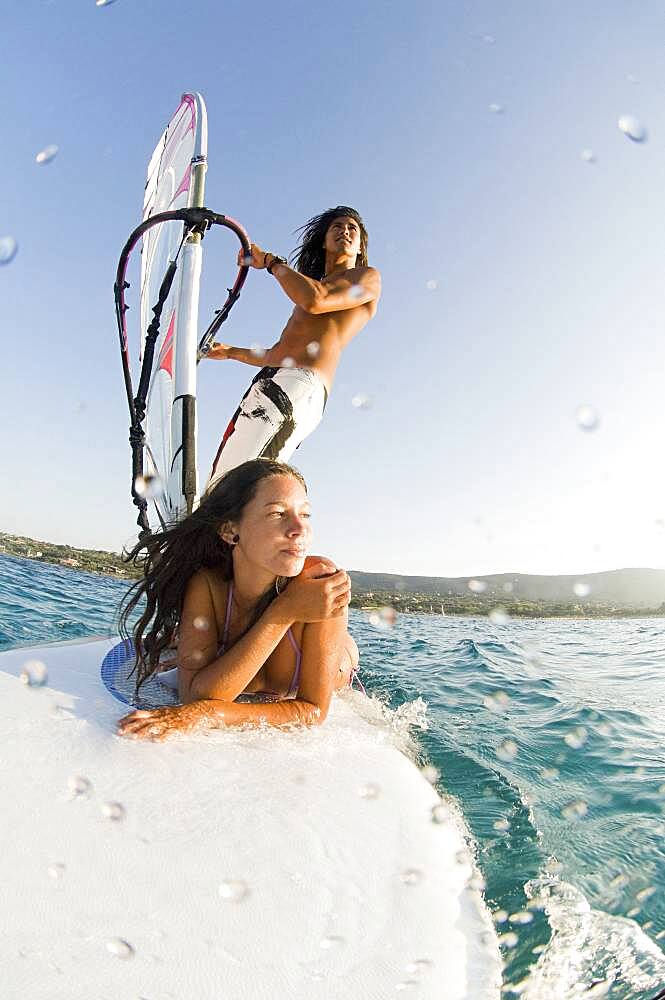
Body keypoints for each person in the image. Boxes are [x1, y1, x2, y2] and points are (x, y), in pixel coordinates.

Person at [117, 459, 360, 741]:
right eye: (278, 513)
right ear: (231, 531)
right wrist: (283, 611)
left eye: (305, 515)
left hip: (341, 660)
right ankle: (189, 639)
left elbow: (313, 711)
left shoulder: (321, 585)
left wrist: (207, 714)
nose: (299, 529)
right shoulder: (208, 585)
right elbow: (196, 694)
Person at [204, 206, 381, 492]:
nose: (345, 231)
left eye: (352, 228)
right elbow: (280, 353)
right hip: (277, 380)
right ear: (324, 240)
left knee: (232, 489)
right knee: (225, 488)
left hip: (298, 385)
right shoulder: (315, 285)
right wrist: (230, 351)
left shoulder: (367, 278)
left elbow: (316, 300)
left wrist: (271, 262)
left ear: (360, 246)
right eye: (337, 226)